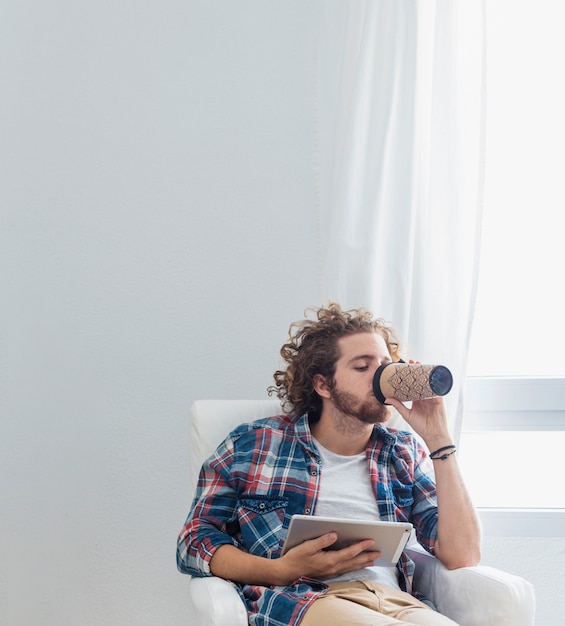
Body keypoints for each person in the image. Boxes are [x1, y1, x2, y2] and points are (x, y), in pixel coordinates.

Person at [177, 303, 481, 626]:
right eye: (363, 367)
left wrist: (438, 439)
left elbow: (463, 554)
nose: (380, 377)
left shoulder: (402, 453)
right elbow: (193, 541)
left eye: (386, 366)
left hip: (397, 602)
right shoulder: (255, 444)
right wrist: (281, 570)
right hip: (308, 600)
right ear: (323, 385)